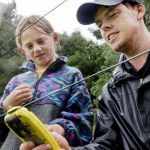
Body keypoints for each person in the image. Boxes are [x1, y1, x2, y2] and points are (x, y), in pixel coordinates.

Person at [19, 0, 150, 149]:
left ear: (139, 11)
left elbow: (82, 124)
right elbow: (105, 146)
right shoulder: (109, 94)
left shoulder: (74, 76)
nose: (104, 27)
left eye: (113, 14)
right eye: (99, 24)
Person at [0, 15, 93, 150]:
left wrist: (60, 128)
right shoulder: (15, 82)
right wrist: (5, 106)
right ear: (22, 50)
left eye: (41, 41)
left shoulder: (72, 75)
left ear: (54, 38)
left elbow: (84, 123)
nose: (37, 49)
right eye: (29, 46)